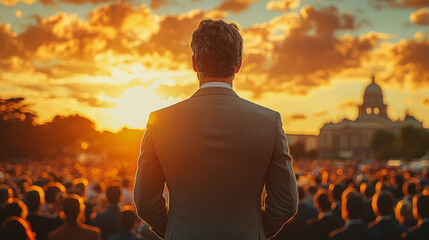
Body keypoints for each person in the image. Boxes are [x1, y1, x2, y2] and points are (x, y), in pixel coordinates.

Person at [133, 19, 298, 240]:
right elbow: (286, 204)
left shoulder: (159, 122)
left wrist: (176, 230)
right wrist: (254, 230)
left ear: (194, 63)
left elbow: (145, 204)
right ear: (238, 64)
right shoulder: (269, 122)